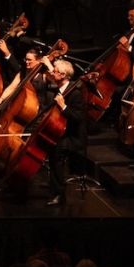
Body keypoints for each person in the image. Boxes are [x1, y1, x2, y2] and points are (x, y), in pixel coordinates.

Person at [39, 58, 86, 206]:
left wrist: (63, 106)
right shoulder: (58, 89)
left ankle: (60, 195)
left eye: (56, 71)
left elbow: (79, 117)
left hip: (72, 137)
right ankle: (54, 187)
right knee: (52, 155)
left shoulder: (75, 93)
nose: (52, 73)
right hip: (61, 132)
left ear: (64, 75)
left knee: (56, 155)